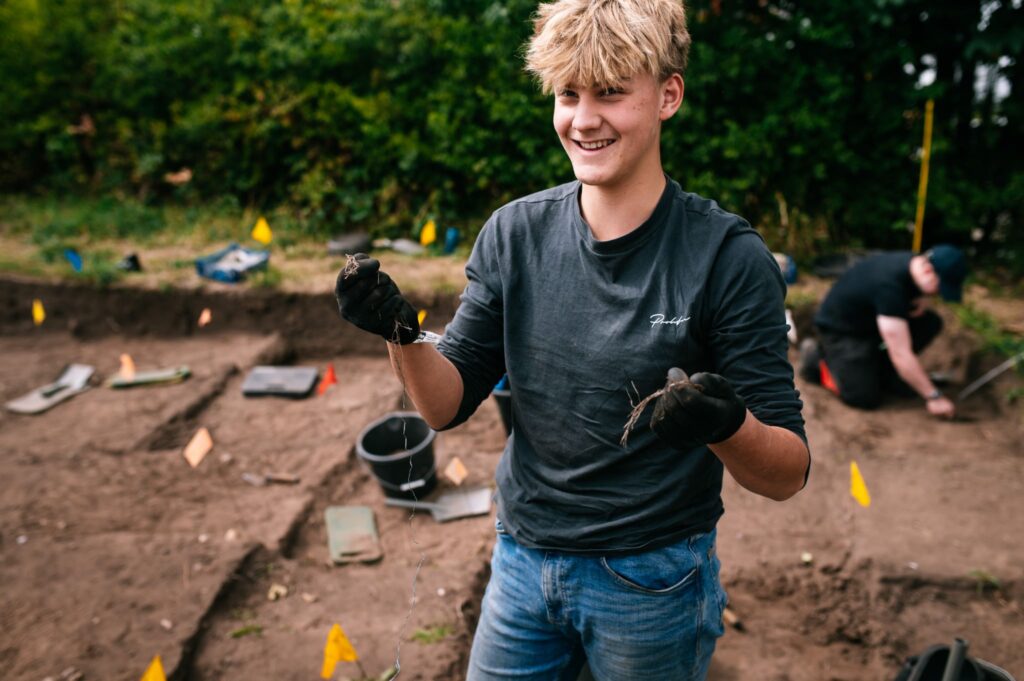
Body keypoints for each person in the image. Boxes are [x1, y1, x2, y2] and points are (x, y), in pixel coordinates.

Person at [335, 0, 810, 677]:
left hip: (651, 579)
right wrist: (398, 332)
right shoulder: (515, 234)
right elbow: (445, 404)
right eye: (568, 93)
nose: (583, 119)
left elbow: (787, 471)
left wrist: (726, 423)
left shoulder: (727, 258)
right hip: (522, 562)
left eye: (611, 92)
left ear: (667, 94)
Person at [799, 245, 968, 419]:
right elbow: (900, 353)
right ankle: (816, 360)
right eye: (939, 288)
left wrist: (922, 297)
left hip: (870, 321)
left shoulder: (913, 263)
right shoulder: (889, 287)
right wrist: (934, 397)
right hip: (843, 332)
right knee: (863, 397)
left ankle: (888, 373)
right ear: (927, 271)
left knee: (929, 322)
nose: (938, 294)